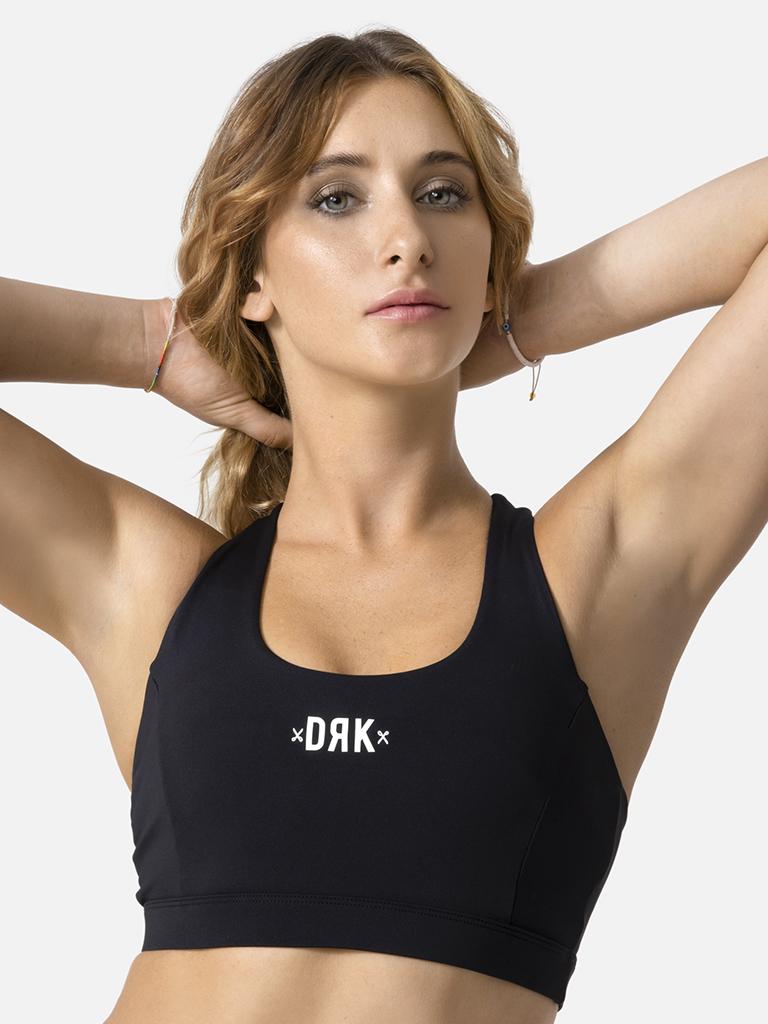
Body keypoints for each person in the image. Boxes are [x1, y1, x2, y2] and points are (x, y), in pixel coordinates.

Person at [2, 26, 767, 1024]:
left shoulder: (594, 579)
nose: (407, 237)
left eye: (443, 194)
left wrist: (518, 315)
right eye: (338, 198)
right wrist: (143, 338)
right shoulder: (152, 594)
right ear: (255, 276)